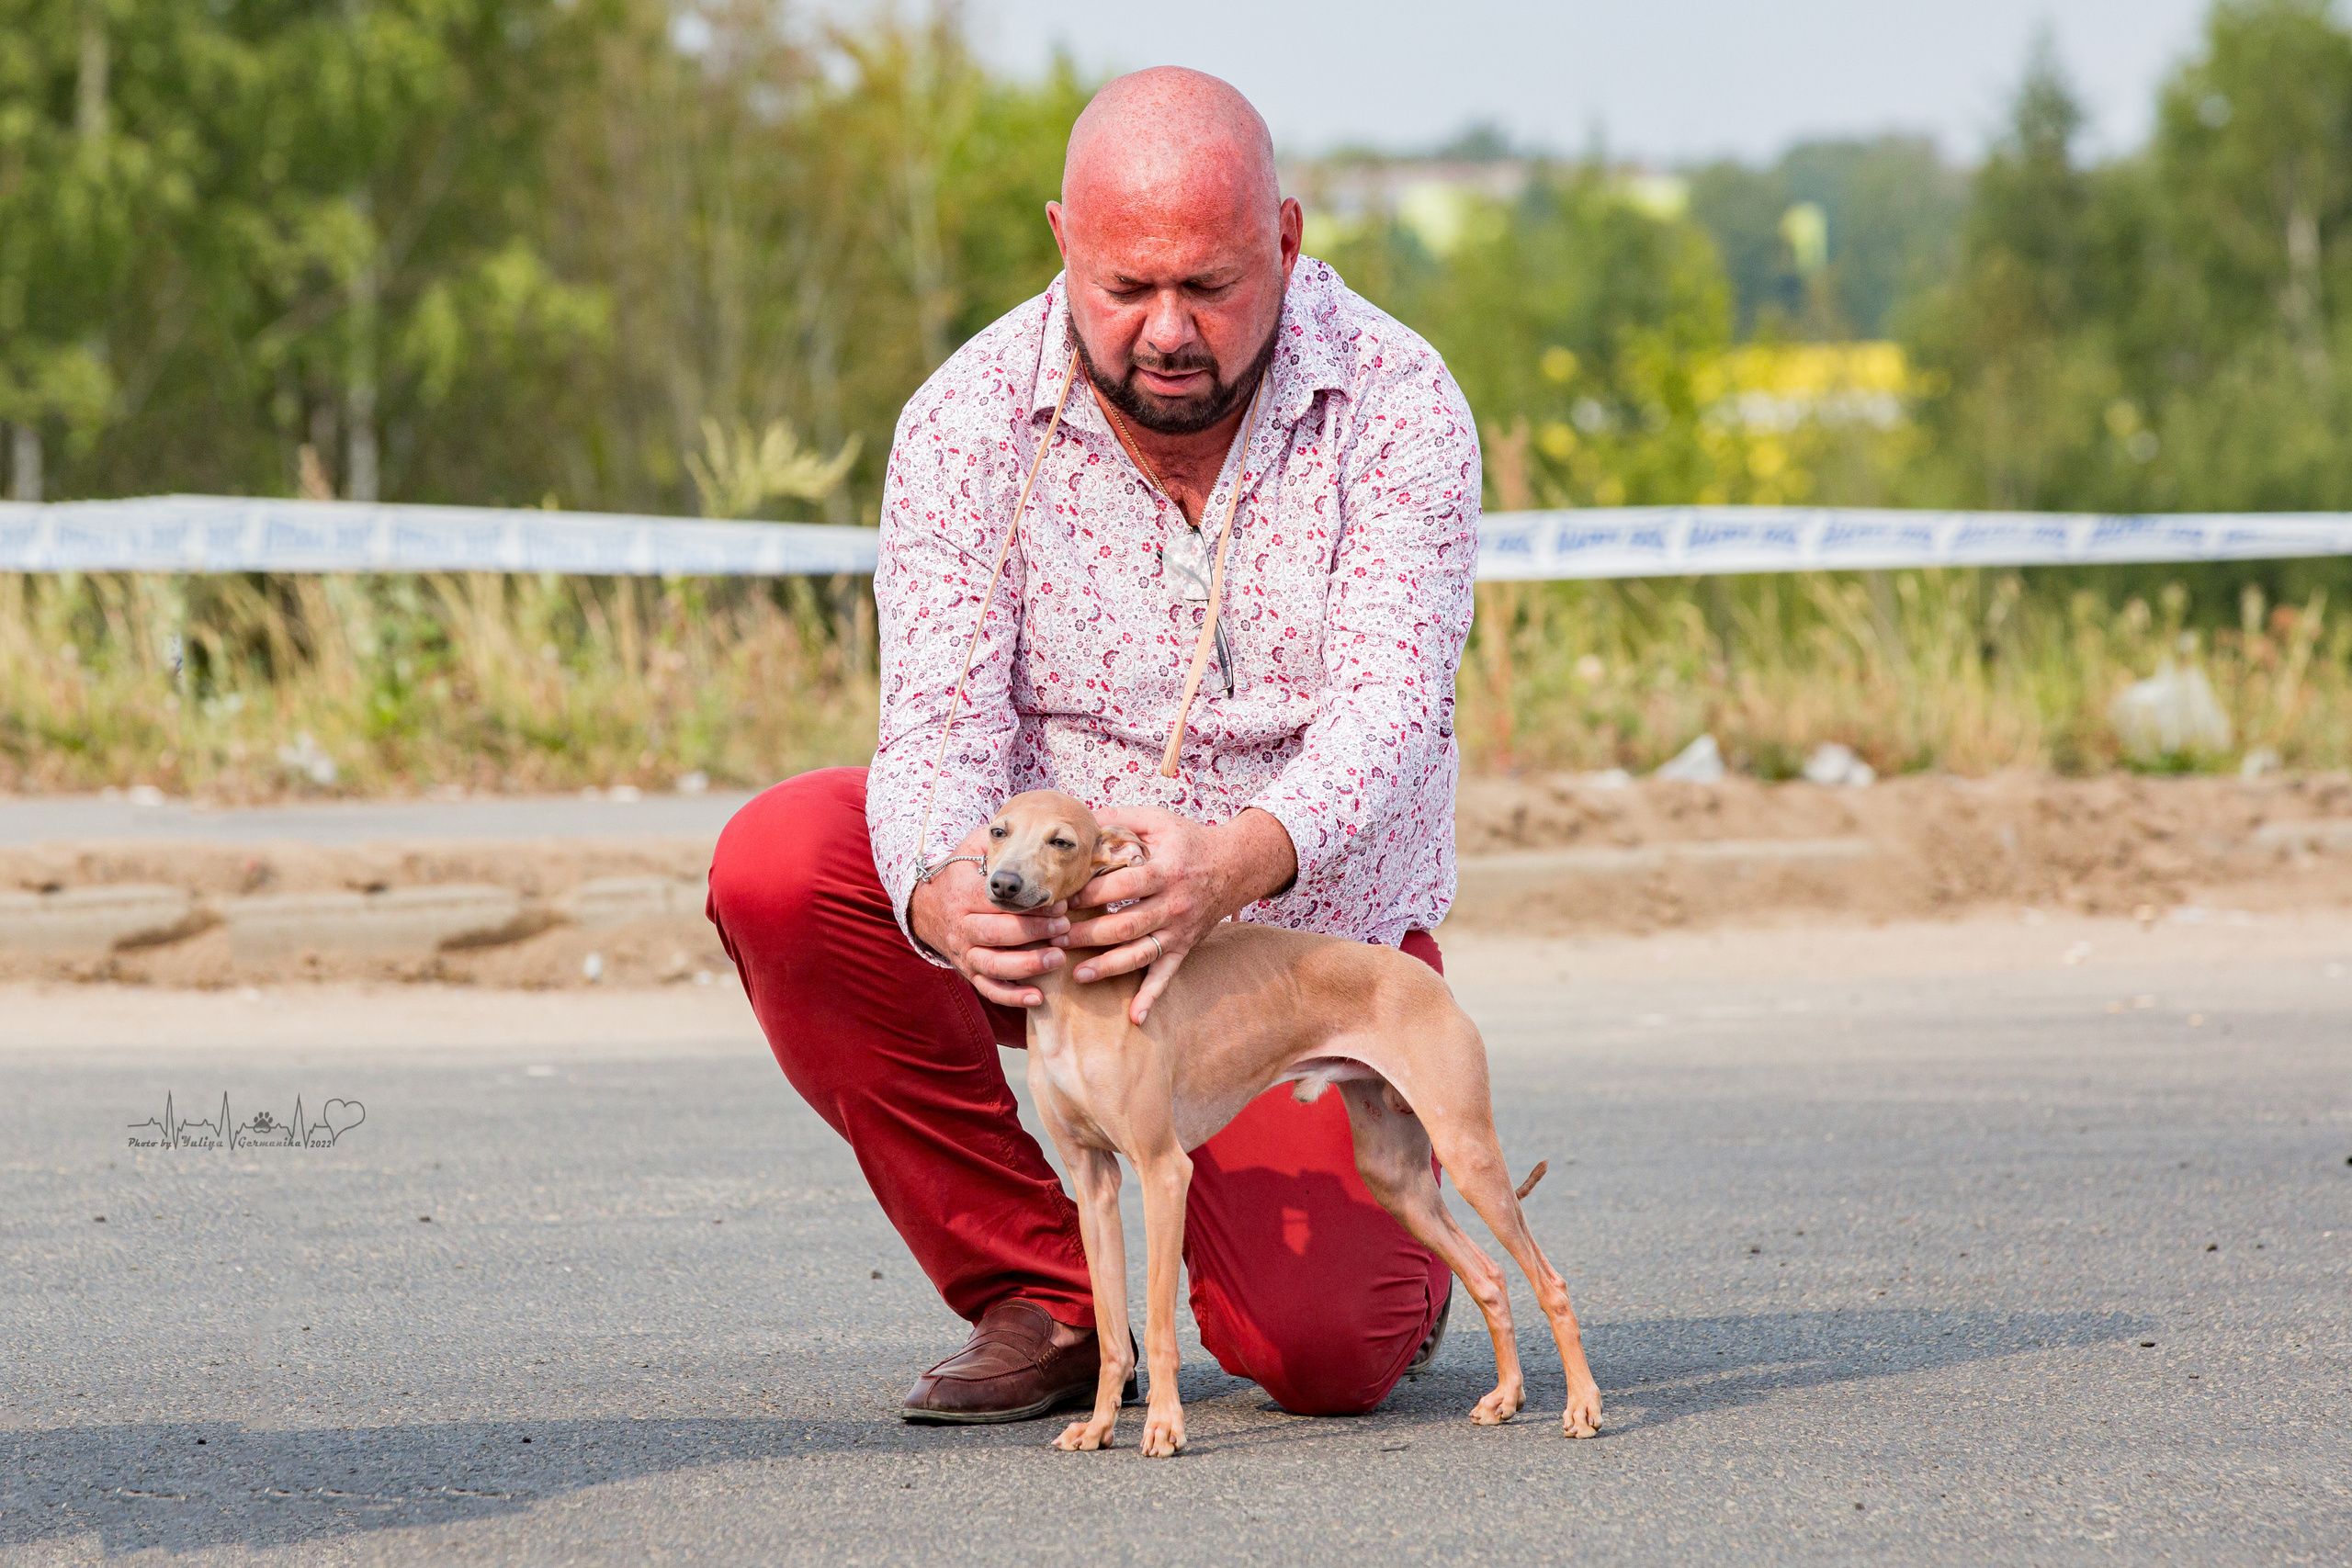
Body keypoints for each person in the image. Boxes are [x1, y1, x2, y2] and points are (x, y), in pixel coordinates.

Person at [706, 65, 1481, 1425]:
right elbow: (935, 726)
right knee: (786, 863)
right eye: (1126, 289)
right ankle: (1054, 1288)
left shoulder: (1399, 401)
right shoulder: (962, 421)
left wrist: (1234, 863)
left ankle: (1383, 1257)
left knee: (1321, 1353)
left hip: (1293, 944)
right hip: (1053, 914)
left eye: (1212, 286)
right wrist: (942, 896)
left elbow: (1392, 711)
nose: (1168, 332)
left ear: (1286, 240)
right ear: (1064, 240)